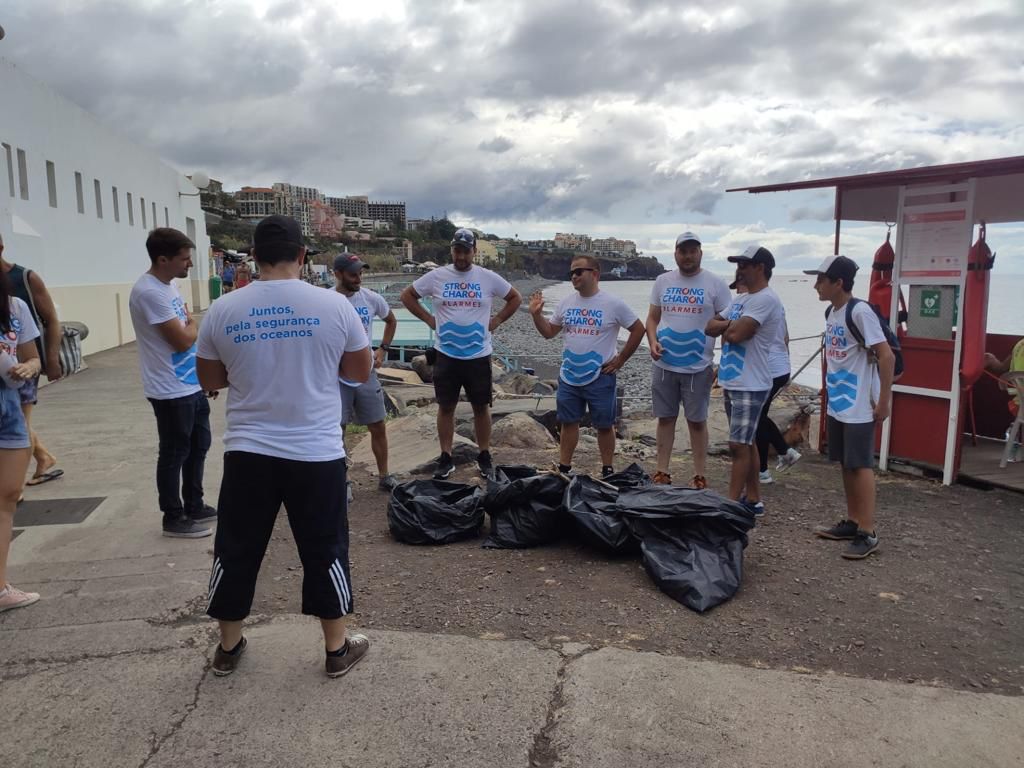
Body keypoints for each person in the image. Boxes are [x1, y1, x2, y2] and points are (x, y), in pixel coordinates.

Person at [196, 215, 373, 678]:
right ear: (302, 256)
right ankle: (336, 650)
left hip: (248, 450)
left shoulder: (223, 309)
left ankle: (228, 648)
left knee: (236, 547)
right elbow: (357, 373)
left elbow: (210, 379)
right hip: (315, 451)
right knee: (325, 547)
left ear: (253, 256)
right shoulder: (335, 307)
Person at [400, 228, 522, 479]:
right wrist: (429, 319)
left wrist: (497, 320)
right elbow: (408, 295)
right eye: (457, 250)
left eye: (466, 251)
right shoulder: (437, 276)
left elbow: (515, 298)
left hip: (478, 355)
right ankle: (446, 457)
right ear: (452, 251)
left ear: (474, 252)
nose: (462, 256)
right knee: (446, 407)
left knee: (481, 407)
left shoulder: (487, 277)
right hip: (446, 354)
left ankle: (484, 454)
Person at [129, 228, 216, 538]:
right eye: (184, 258)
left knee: (199, 446)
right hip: (169, 389)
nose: (189, 264)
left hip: (189, 383)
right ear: (162, 259)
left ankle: (195, 503)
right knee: (174, 452)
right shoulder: (149, 292)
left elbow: (189, 326)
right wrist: (191, 325)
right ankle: (173, 516)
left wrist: (203, 375)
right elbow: (182, 338)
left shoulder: (170, 286)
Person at [806, 255, 894, 560]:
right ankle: (853, 520)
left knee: (860, 464)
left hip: (859, 403)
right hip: (839, 402)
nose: (816, 285)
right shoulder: (833, 311)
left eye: (821, 280)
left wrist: (883, 401)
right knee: (845, 462)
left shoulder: (861, 312)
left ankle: (868, 531)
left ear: (838, 283)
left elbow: (886, 356)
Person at [530, 256, 644, 476]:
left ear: (595, 274)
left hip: (600, 375)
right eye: (572, 272)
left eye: (579, 271)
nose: (574, 276)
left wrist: (620, 360)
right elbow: (548, 333)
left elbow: (638, 329)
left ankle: (607, 468)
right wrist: (536, 316)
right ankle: (564, 467)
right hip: (569, 374)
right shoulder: (566, 303)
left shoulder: (613, 303)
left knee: (604, 424)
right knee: (568, 422)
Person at [645, 232, 731, 489]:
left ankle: (700, 475)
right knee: (665, 418)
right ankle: (662, 471)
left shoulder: (715, 284)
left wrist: (725, 361)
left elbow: (727, 323)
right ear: (675, 254)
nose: (688, 256)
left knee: (696, 420)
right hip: (664, 364)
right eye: (683, 251)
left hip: (699, 365)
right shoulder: (663, 281)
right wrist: (652, 342)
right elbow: (652, 319)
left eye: (693, 251)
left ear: (701, 253)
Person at [705, 245, 784, 516]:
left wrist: (728, 328)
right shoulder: (741, 301)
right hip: (735, 380)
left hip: (751, 383)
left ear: (760, 267)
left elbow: (738, 335)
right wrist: (731, 326)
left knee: (738, 445)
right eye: (738, 264)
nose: (738, 269)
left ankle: (729, 504)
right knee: (747, 443)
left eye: (744, 265)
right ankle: (753, 499)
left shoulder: (765, 299)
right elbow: (709, 326)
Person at [0, 234, 64, 487]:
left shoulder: (25, 278)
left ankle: (16, 483)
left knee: (21, 420)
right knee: (18, 419)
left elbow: (52, 318)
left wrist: (51, 359)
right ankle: (43, 457)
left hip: (22, 364)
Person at [334, 253, 399, 491]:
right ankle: (343, 481)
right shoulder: (327, 300)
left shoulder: (371, 299)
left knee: (377, 424)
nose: (358, 278)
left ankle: (385, 475)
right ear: (338, 274)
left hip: (366, 373)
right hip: (336, 376)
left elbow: (391, 321)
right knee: (337, 429)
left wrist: (382, 349)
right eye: (353, 274)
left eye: (361, 273)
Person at [0, 268, 44, 612]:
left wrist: (29, 367)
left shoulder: (14, 307)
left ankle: (0, 588)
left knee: (8, 497)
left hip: (9, 404)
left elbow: (32, 355)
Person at [753, 289, 802, 485]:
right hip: (780, 367)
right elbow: (786, 337)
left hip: (768, 368)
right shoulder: (776, 302)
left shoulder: (757, 303)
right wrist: (787, 364)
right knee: (760, 417)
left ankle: (763, 470)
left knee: (756, 419)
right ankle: (784, 452)